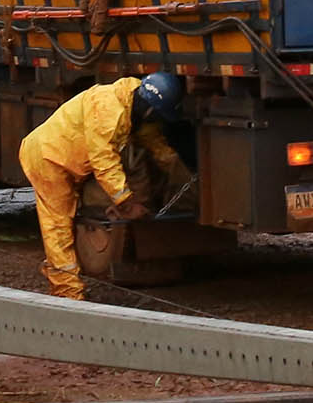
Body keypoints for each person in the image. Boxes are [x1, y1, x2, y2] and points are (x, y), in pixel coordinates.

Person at [19, 72, 190, 300]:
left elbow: (150, 139)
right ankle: (67, 293)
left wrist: (178, 169)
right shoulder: (108, 108)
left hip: (71, 159)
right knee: (58, 227)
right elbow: (104, 162)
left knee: (68, 222)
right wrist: (126, 203)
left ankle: (57, 267)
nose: (156, 121)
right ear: (149, 110)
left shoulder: (134, 103)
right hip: (48, 159)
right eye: (157, 116)